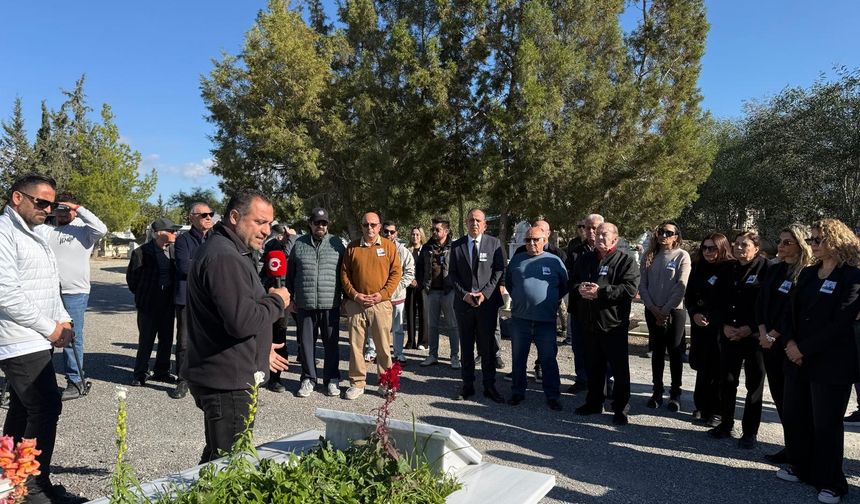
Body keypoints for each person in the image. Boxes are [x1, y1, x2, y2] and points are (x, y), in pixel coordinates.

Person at [183, 189, 290, 463]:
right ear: (234, 217)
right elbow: (242, 321)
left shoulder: (231, 250)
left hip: (230, 374)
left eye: (269, 223)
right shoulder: (224, 256)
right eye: (260, 222)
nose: (267, 230)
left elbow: (229, 314)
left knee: (217, 462)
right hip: (227, 383)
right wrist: (277, 302)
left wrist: (261, 348)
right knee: (228, 466)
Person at [0, 173, 86, 503]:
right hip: (17, 338)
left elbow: (48, 286)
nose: (47, 209)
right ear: (17, 198)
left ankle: (13, 483)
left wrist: (62, 318)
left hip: (35, 337)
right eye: (41, 202)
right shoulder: (6, 232)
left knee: (24, 410)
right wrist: (50, 328)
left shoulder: (33, 234)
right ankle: (32, 488)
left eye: (51, 204)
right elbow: (7, 295)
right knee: (46, 407)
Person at [778, 219, 860, 504]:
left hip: (830, 361)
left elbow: (842, 322)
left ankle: (832, 482)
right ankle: (802, 466)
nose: (812, 244)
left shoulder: (852, 276)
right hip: (796, 357)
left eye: (817, 240)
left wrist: (804, 349)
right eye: (811, 239)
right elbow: (789, 311)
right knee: (795, 415)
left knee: (826, 424)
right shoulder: (809, 274)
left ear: (836, 242)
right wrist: (790, 343)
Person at [570, 222, 639, 425]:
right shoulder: (585, 259)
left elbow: (629, 289)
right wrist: (579, 288)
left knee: (618, 369)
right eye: (597, 233)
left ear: (615, 239)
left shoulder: (626, 261)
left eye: (604, 234)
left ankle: (620, 408)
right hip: (589, 323)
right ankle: (593, 403)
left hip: (613, 324)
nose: (599, 237)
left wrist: (600, 292)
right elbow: (572, 282)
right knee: (593, 366)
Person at [755, 224, 813, 464]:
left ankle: (801, 450)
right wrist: (762, 332)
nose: (780, 246)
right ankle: (790, 447)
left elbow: (792, 312)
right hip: (766, 340)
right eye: (780, 241)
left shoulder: (806, 273)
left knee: (795, 402)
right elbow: (760, 302)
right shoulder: (774, 269)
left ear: (801, 245)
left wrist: (774, 335)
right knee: (779, 396)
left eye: (787, 242)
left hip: (787, 343)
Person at [708, 231, 769, 449]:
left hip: (753, 337)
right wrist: (723, 325)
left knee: (754, 384)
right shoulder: (728, 269)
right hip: (729, 334)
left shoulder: (766, 269)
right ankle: (725, 424)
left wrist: (749, 328)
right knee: (728, 380)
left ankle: (750, 432)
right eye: (736, 244)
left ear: (756, 248)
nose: (739, 248)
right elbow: (714, 302)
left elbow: (768, 305)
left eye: (745, 244)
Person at [45, 192, 108, 401]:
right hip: (50, 291)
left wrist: (77, 208)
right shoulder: (49, 229)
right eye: (58, 209)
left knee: (73, 336)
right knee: (46, 334)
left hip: (75, 292)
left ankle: (75, 380)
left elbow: (102, 228)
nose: (61, 213)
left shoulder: (84, 229)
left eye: (65, 209)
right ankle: (41, 379)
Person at [505, 226, 568, 410]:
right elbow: (510, 284)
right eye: (528, 240)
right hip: (520, 320)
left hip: (545, 321)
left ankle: (553, 395)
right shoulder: (517, 260)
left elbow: (564, 286)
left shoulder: (555, 261)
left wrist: (549, 302)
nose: (531, 243)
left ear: (544, 240)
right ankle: (517, 392)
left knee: (548, 359)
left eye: (536, 240)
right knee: (518, 358)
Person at [340, 212, 402, 400]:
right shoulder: (352, 247)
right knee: (356, 345)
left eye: (373, 225)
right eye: (366, 225)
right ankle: (357, 383)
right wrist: (355, 295)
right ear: (361, 226)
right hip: (356, 304)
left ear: (379, 226)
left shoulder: (389, 247)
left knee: (383, 346)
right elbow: (344, 274)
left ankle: (386, 383)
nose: (370, 228)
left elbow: (396, 273)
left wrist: (382, 295)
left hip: (380, 304)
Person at [287, 207, 346, 398]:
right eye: (317, 222)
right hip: (305, 303)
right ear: (310, 224)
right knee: (305, 344)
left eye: (324, 223)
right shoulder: (299, 244)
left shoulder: (337, 244)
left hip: (330, 303)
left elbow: (344, 274)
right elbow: (291, 274)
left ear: (327, 225)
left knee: (331, 344)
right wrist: (290, 297)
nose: (320, 226)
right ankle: (308, 378)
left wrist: (345, 299)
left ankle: (332, 379)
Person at [448, 209, 505, 403]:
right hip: (464, 304)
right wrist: (464, 295)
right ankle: (467, 385)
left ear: (484, 225)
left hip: (486, 304)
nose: (474, 223)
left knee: (487, 347)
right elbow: (452, 274)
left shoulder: (494, 244)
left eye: (478, 220)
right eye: (471, 220)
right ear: (466, 222)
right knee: (466, 347)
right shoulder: (457, 246)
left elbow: (498, 271)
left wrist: (485, 293)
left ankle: (489, 386)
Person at [639, 220, 691, 412]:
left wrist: (666, 309)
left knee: (675, 352)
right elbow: (642, 285)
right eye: (661, 231)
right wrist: (653, 307)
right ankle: (657, 391)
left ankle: (675, 393)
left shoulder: (682, 256)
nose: (663, 235)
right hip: (653, 310)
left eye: (668, 233)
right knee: (657, 352)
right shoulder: (649, 256)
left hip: (674, 311)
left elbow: (681, 286)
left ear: (676, 236)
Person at [685, 233, 735, 427]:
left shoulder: (730, 268)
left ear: (722, 248)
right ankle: (702, 406)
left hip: (720, 326)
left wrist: (714, 317)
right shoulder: (698, 266)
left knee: (719, 369)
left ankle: (718, 411)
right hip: (701, 325)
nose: (707, 251)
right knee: (702, 367)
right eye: (704, 248)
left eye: (712, 248)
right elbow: (689, 296)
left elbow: (730, 299)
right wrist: (695, 313)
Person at [126, 218, 182, 387]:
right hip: (148, 304)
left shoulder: (174, 251)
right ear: (158, 233)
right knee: (146, 340)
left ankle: (161, 372)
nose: (175, 234)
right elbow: (132, 279)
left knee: (166, 339)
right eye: (171, 231)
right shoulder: (141, 253)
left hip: (168, 303)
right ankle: (140, 374)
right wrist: (145, 294)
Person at [169, 202, 214, 399]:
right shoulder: (183, 240)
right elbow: (183, 267)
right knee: (185, 340)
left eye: (210, 214)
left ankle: (206, 375)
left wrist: (198, 264)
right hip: (186, 298)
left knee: (210, 338)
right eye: (204, 214)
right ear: (192, 218)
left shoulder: (216, 239)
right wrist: (209, 266)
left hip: (210, 298)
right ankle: (183, 379)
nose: (208, 217)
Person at [565, 214, 604, 394]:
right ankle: (582, 379)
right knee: (579, 346)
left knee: (602, 348)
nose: (590, 231)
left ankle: (604, 382)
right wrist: (578, 288)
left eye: (594, 228)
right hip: (579, 307)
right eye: (587, 227)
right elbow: (568, 279)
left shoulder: (611, 253)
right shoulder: (574, 252)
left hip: (601, 311)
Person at [417, 216, 461, 369]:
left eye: (437, 229)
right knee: (432, 325)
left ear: (446, 231)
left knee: (452, 325)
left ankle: (455, 356)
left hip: (449, 291)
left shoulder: (454, 247)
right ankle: (432, 355)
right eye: (432, 229)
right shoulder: (427, 247)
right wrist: (422, 285)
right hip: (431, 291)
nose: (434, 232)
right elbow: (420, 268)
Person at [259, 222, 297, 393]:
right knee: (261, 336)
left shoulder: (291, 247)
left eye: (284, 235)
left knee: (280, 337)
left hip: (285, 299)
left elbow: (290, 257)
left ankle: (276, 378)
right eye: (279, 234)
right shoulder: (268, 247)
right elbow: (259, 267)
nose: (282, 237)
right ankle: (260, 373)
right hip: (265, 296)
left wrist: (292, 239)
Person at [405, 226, 426, 349]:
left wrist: (421, 282)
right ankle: (411, 341)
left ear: (421, 236)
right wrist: (410, 281)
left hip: (423, 286)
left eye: (417, 234)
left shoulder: (426, 250)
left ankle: (423, 342)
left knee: (424, 313)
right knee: (410, 313)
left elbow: (429, 269)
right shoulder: (407, 250)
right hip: (410, 286)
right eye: (413, 234)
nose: (415, 237)